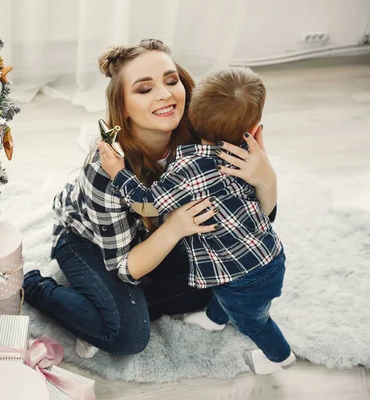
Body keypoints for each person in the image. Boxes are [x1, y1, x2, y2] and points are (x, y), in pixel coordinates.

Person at [23, 39, 278, 361]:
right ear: (123, 106)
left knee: (230, 278)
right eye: (145, 89)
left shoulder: (205, 136)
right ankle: (34, 286)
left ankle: (104, 312)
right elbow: (126, 268)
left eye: (171, 81)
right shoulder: (105, 172)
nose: (165, 94)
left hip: (155, 235)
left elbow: (251, 226)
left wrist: (266, 179)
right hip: (90, 240)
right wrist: (174, 229)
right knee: (127, 336)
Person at [98, 67, 294, 374]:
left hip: (242, 274)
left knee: (252, 320)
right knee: (224, 292)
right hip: (269, 254)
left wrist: (118, 173)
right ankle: (216, 319)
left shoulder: (188, 169)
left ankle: (279, 357)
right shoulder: (245, 151)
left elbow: (148, 204)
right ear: (253, 127)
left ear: (191, 112)